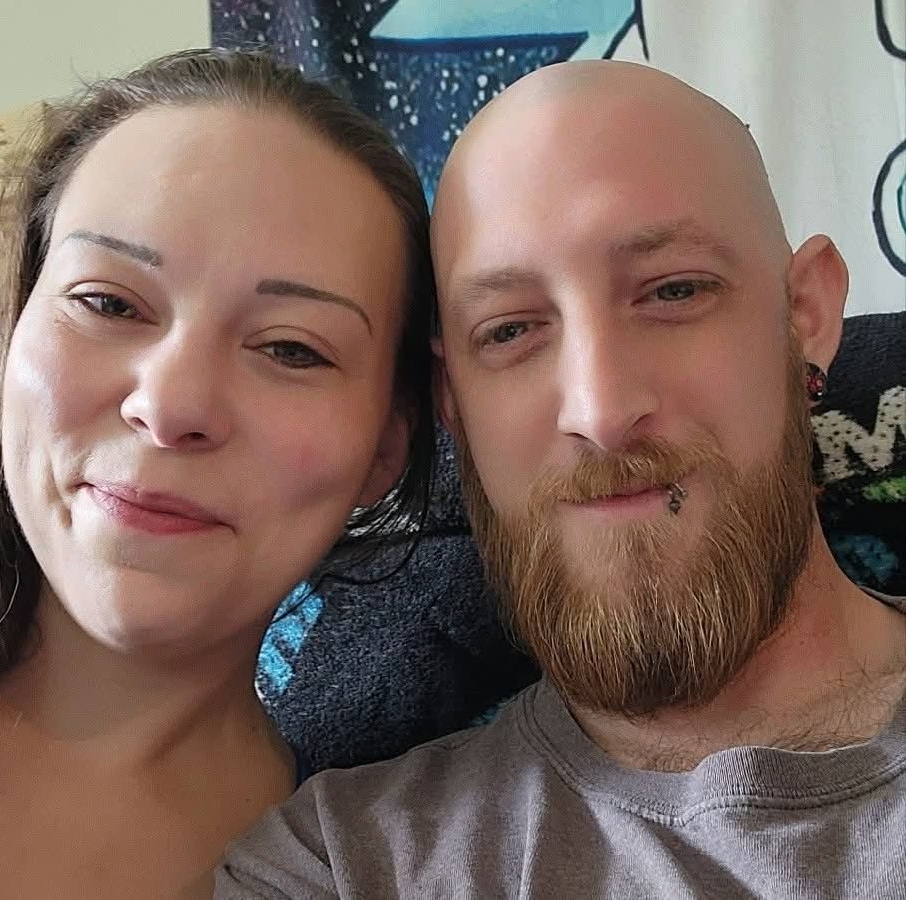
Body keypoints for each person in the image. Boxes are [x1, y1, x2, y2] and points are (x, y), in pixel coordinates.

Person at [216, 61, 906, 898]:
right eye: (509, 330)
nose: (600, 409)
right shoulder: (340, 866)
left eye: (674, 290)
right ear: (451, 399)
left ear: (806, 314)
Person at [0, 47, 435, 899]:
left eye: (291, 349)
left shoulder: (373, 862)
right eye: (107, 302)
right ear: (14, 329)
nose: (171, 404)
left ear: (385, 449)